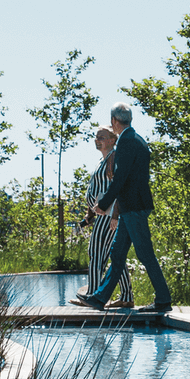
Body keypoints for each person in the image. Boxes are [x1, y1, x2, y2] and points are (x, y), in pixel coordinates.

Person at [72, 104, 171, 314]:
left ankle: (163, 299)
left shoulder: (126, 142)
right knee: (117, 254)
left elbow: (121, 179)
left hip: (133, 208)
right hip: (131, 207)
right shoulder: (138, 140)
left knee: (145, 255)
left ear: (115, 121)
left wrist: (104, 204)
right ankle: (100, 298)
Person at [79, 127, 134, 309]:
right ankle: (126, 297)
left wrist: (116, 216)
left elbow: (121, 187)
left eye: (101, 137)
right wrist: (89, 215)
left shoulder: (114, 159)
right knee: (116, 256)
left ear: (112, 140)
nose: (97, 140)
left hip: (110, 215)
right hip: (102, 214)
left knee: (96, 253)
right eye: (96, 137)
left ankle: (93, 296)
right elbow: (96, 191)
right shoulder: (101, 161)